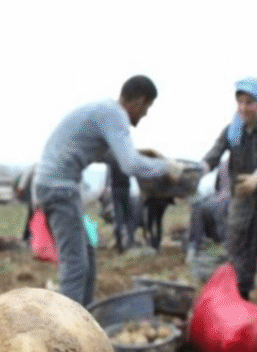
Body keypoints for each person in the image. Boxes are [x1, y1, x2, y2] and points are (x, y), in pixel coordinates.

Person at [33, 75, 181, 306]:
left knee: (87, 258)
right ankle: (67, 324)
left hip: (57, 188)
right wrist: (166, 167)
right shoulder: (114, 115)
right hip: (59, 189)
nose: (145, 114)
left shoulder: (104, 112)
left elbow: (113, 156)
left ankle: (84, 315)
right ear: (139, 101)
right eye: (147, 107)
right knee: (76, 265)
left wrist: (145, 155)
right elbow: (129, 164)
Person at [201, 77, 257, 300]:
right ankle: (239, 301)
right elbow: (213, 156)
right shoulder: (232, 132)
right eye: (240, 102)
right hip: (241, 204)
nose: (243, 108)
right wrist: (197, 171)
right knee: (239, 257)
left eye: (249, 103)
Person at [186, 156, 230, 262]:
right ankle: (194, 246)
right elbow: (217, 186)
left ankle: (227, 248)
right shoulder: (223, 164)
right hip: (221, 196)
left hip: (237, 197)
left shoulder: (247, 162)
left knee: (221, 207)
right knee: (199, 207)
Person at [103, 157, 136, 253]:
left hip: (115, 190)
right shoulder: (126, 159)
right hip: (126, 190)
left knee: (118, 218)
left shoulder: (111, 160)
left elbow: (108, 177)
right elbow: (132, 173)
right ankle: (131, 242)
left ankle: (119, 245)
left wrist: (106, 188)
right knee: (128, 217)